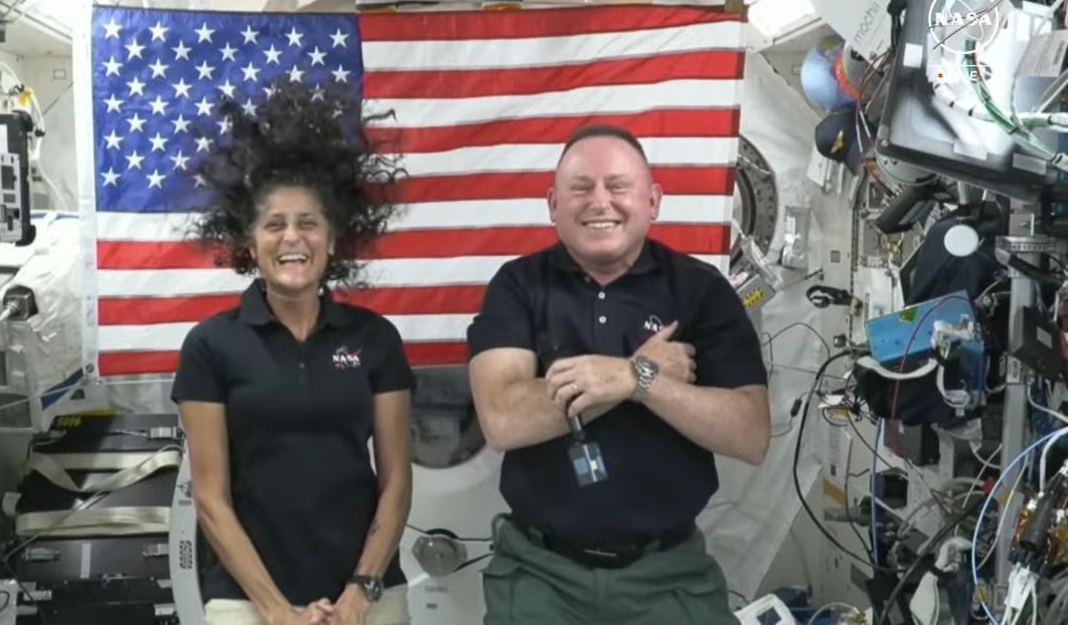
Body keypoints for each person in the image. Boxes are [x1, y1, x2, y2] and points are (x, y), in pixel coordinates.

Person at [466, 124, 771, 625]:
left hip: (669, 578)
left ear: (652, 201)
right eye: (581, 188)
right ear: (552, 204)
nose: (599, 202)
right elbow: (503, 420)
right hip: (540, 578)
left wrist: (639, 385)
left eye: (618, 186)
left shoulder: (700, 290)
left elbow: (751, 435)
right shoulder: (518, 286)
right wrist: (640, 370)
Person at [171, 83, 414, 625]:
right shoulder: (210, 346)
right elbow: (210, 499)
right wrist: (277, 611)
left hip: (367, 592)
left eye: (308, 223)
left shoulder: (376, 340)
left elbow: (396, 481)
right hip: (248, 599)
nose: (292, 238)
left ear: (333, 239)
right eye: (274, 225)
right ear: (249, 242)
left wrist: (361, 591)